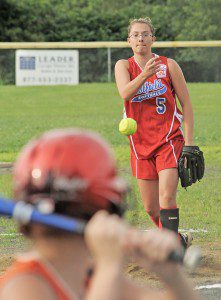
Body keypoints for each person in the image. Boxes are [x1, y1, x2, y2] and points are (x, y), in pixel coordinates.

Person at [0, 128, 198, 300]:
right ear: (105, 206)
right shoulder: (25, 286)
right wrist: (109, 267)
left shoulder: (87, 274)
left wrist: (173, 277)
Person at [115, 17, 199, 247]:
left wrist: (189, 142)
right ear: (129, 40)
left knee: (166, 198)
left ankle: (172, 253)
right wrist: (144, 74)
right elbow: (125, 93)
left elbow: (187, 104)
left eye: (145, 34)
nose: (140, 38)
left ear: (153, 38)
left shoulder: (169, 65)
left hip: (169, 140)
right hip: (140, 143)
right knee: (151, 208)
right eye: (135, 35)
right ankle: (177, 240)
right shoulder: (124, 66)